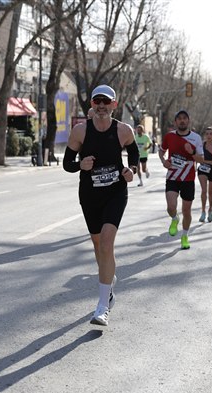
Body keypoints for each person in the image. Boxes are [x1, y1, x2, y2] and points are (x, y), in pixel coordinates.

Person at [63, 84, 139, 326]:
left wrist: (131, 170)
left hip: (116, 193)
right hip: (90, 195)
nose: (102, 106)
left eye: (106, 102)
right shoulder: (80, 131)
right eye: (98, 101)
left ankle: (103, 306)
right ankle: (109, 282)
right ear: (92, 105)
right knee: (98, 245)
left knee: (106, 243)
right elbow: (66, 163)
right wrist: (80, 165)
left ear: (114, 104)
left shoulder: (123, 130)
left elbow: (134, 155)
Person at [158, 109, 204, 250]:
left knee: (186, 211)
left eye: (185, 118)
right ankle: (174, 219)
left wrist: (192, 152)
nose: (182, 120)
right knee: (171, 207)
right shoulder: (169, 136)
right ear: (175, 122)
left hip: (188, 179)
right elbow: (161, 151)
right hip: (172, 176)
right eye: (179, 118)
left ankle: (184, 236)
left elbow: (201, 160)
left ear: (188, 121)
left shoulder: (196, 138)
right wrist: (163, 161)